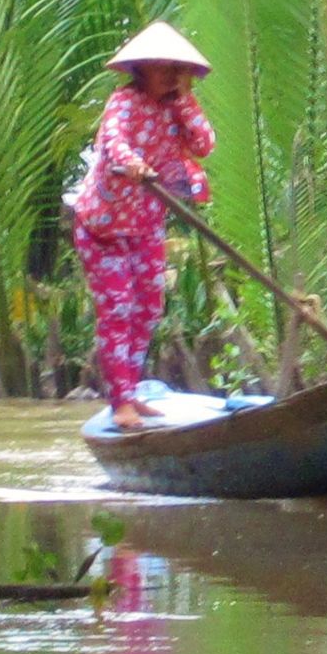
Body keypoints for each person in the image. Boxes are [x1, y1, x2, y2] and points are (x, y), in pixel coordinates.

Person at [65, 21, 213, 426]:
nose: (169, 74)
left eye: (176, 68)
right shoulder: (124, 101)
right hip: (103, 227)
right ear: (141, 69)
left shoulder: (176, 108)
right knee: (119, 308)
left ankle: (131, 391)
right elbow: (114, 141)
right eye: (161, 66)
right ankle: (122, 403)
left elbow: (204, 144)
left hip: (145, 224)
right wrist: (133, 164)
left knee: (148, 307)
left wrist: (185, 101)